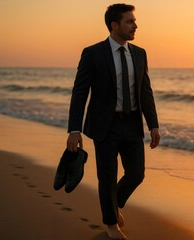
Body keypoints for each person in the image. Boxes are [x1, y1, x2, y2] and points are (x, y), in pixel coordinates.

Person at [66, 4, 160, 239]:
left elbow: (145, 91)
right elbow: (80, 92)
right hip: (104, 125)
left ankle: (114, 203)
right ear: (114, 25)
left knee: (136, 174)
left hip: (131, 124)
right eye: (129, 21)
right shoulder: (93, 53)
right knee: (106, 176)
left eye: (134, 21)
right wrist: (74, 130)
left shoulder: (139, 53)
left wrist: (154, 124)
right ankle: (110, 224)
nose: (135, 25)